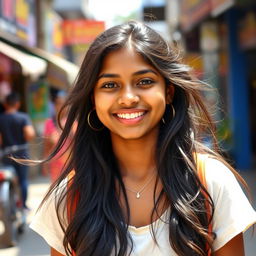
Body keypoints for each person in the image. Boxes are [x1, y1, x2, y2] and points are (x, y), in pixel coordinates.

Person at [30, 21, 256, 256]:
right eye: (110, 85)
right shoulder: (69, 196)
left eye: (144, 81)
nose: (128, 98)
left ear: (168, 92)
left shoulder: (211, 182)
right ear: (92, 100)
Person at [0, 92, 35, 210]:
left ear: (5, 104)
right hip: (22, 153)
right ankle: (23, 205)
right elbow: (30, 134)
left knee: (8, 178)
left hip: (6, 154)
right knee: (23, 180)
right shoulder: (23, 117)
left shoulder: (1, 119)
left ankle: (10, 205)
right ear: (17, 104)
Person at [43, 90, 70, 182]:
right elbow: (46, 146)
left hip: (70, 166)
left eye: (63, 104)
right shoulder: (49, 124)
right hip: (55, 167)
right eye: (58, 103)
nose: (61, 106)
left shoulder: (73, 124)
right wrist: (45, 165)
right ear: (54, 106)